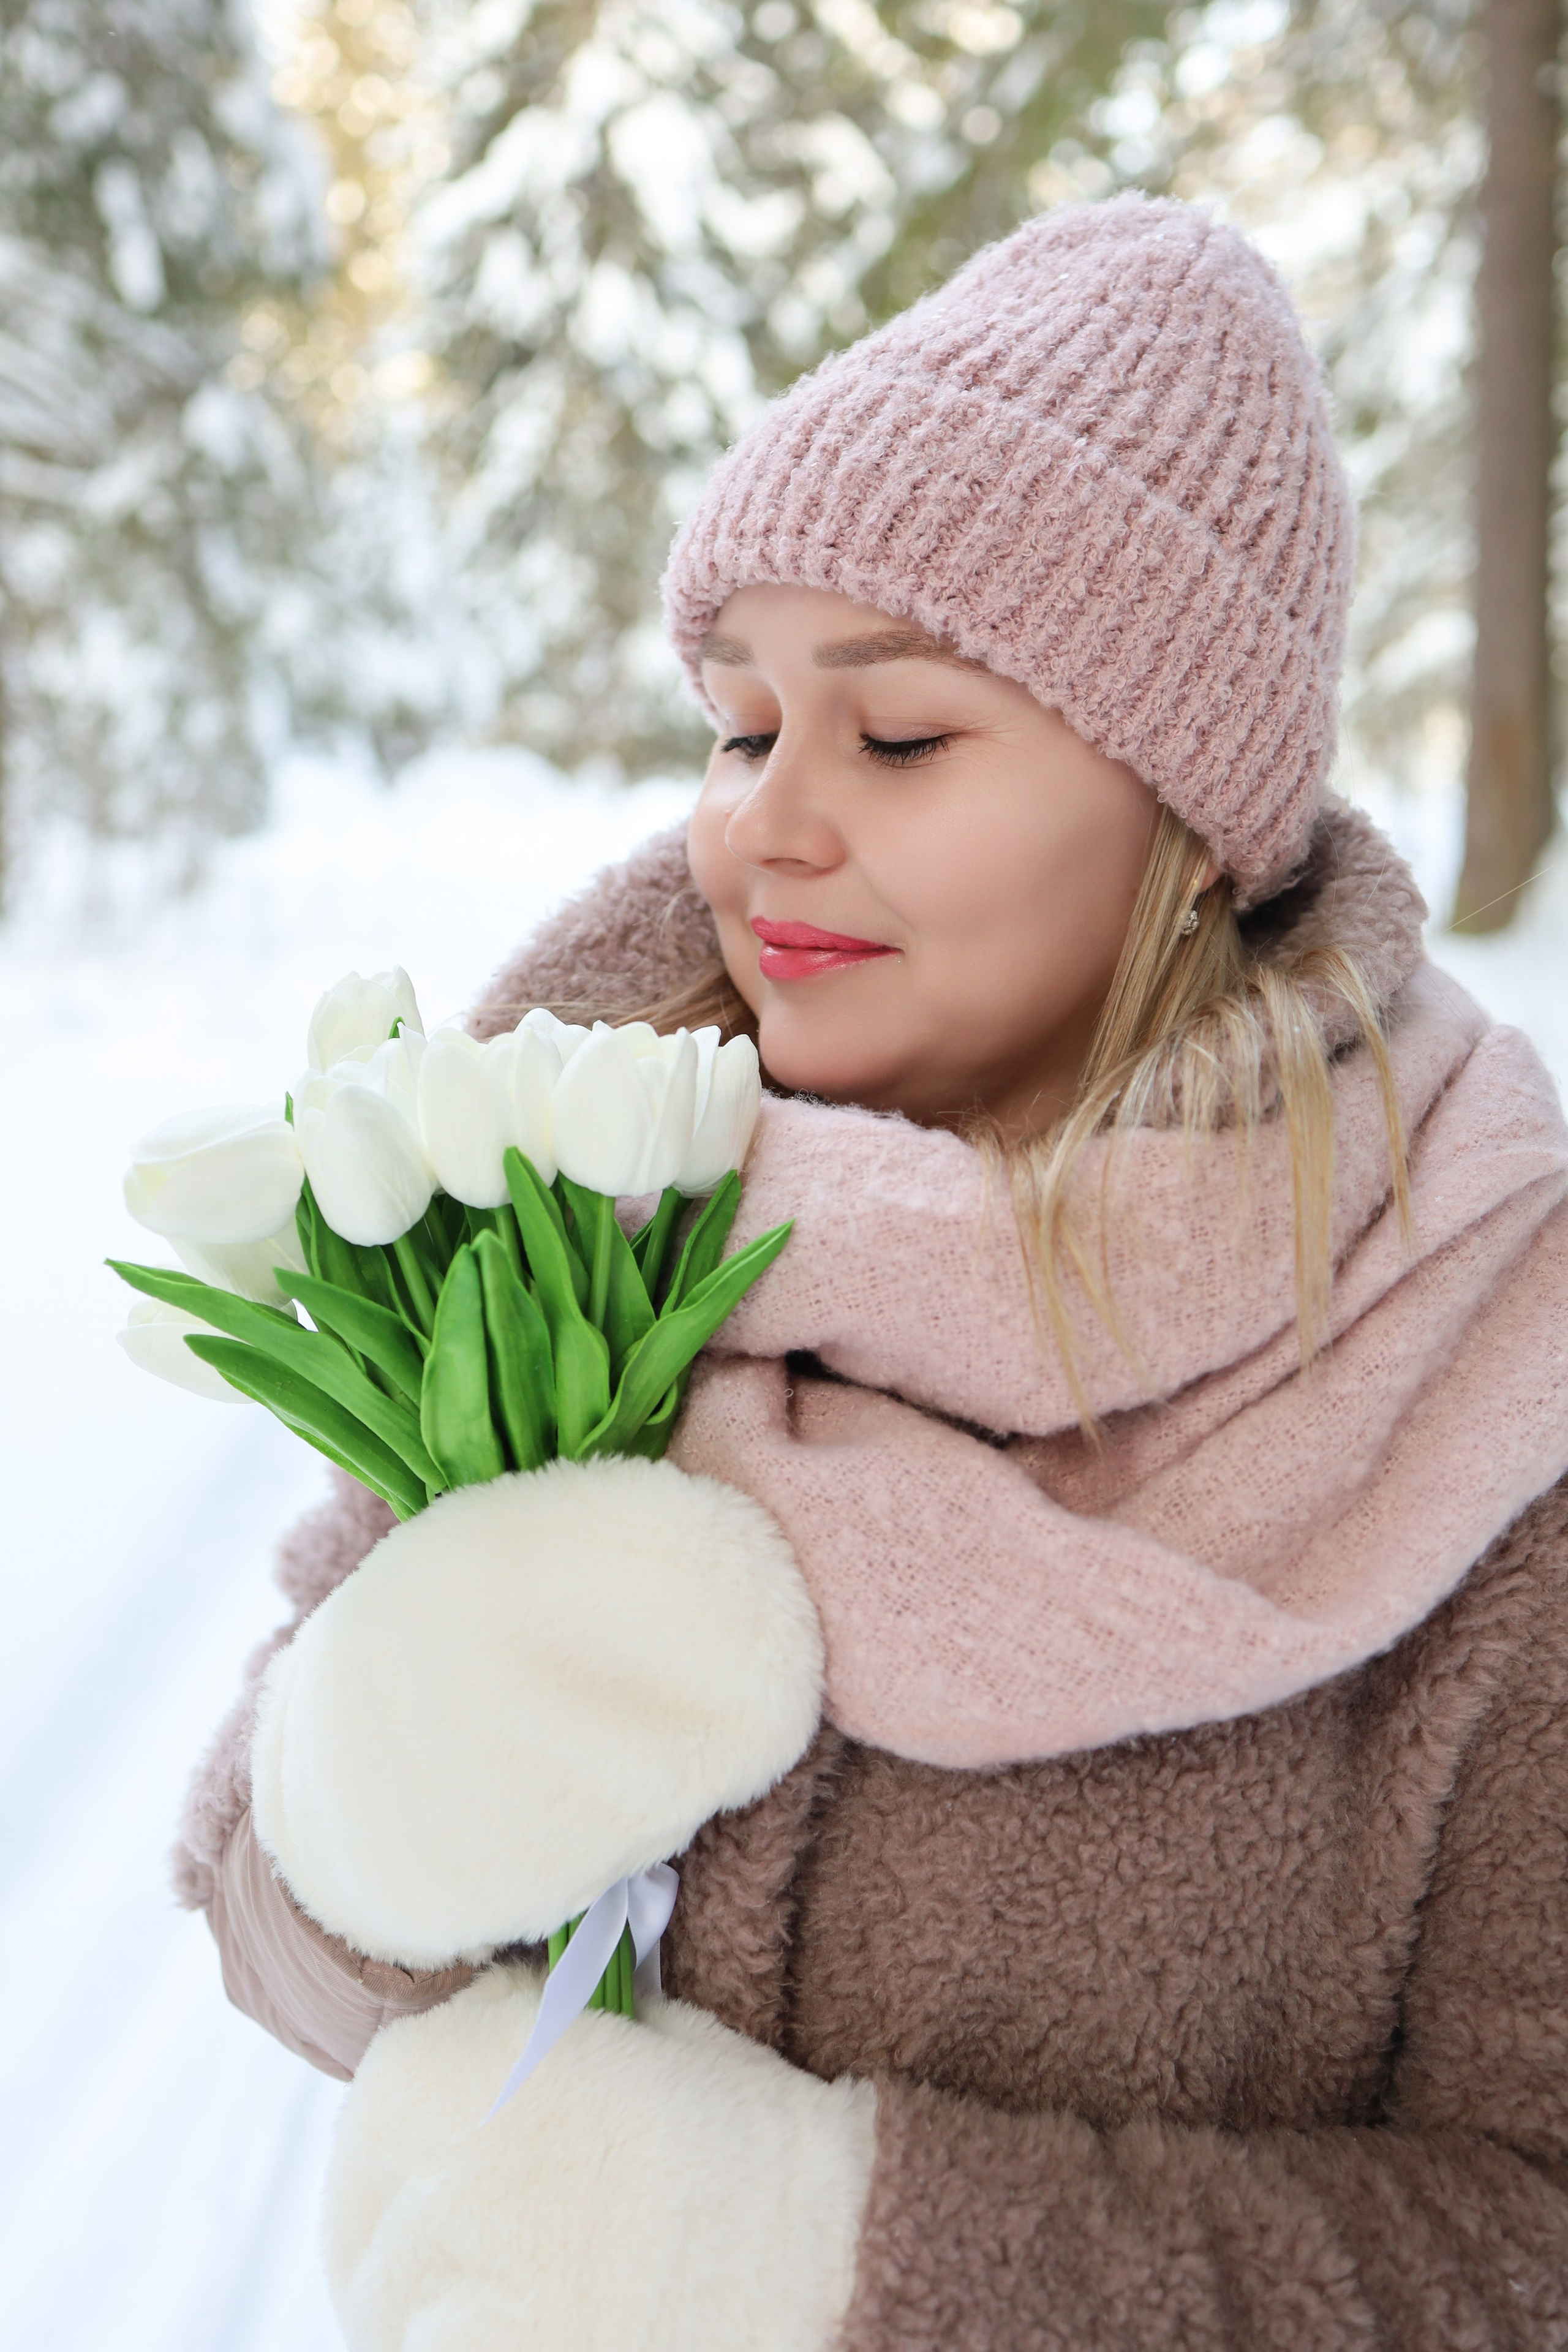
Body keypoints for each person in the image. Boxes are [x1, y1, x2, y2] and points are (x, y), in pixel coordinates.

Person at [177, 195, 1568, 2351]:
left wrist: (836, 2266)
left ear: (1193, 817)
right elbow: (270, 1943)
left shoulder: (1493, 1362)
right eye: (742, 728)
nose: (766, 828)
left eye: (897, 736)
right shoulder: (578, 1181)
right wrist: (364, 1810)